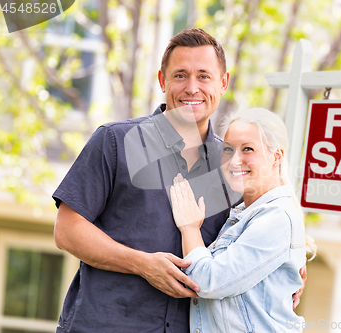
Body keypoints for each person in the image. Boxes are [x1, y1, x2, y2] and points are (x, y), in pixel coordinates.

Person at [53, 28, 306, 333]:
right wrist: (143, 265)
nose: (192, 88)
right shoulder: (115, 141)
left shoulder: (234, 166)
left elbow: (259, 240)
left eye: (204, 76)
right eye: (180, 75)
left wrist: (289, 271)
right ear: (162, 81)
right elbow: (67, 231)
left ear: (222, 83)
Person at [170, 108, 316, 332]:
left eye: (248, 149)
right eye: (228, 149)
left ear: (276, 157)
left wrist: (189, 228)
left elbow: (208, 281)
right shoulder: (243, 213)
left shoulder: (278, 217)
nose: (234, 160)